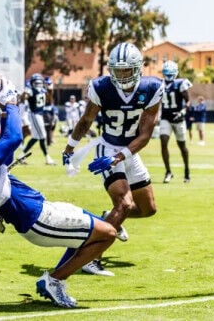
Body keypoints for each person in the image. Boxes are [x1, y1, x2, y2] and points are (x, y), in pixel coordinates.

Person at [0, 72, 117, 308]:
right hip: (36, 218)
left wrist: (4, 110)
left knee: (96, 228)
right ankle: (55, 281)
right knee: (108, 233)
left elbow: (6, 150)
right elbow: (13, 139)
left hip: (38, 210)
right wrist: (10, 103)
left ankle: (56, 279)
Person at [62, 42, 163, 275]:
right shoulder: (101, 87)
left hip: (128, 151)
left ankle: (107, 219)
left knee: (148, 209)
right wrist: (70, 147)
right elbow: (86, 121)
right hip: (107, 149)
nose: (122, 75)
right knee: (125, 203)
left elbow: (145, 134)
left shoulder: (152, 87)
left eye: (127, 70)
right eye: (117, 70)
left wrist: (122, 156)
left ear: (138, 68)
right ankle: (90, 257)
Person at [159, 60, 191, 183]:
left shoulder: (180, 83)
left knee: (182, 147)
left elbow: (188, 101)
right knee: (163, 142)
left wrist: (182, 112)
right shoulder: (160, 84)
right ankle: (168, 171)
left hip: (179, 118)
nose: (168, 75)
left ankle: (187, 171)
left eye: (170, 73)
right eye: (166, 73)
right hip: (166, 118)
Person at [19, 73, 56, 165]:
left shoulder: (34, 90)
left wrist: (26, 91)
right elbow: (24, 98)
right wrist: (26, 92)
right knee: (42, 136)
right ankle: (47, 158)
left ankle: (21, 156)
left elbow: (23, 98)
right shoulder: (41, 90)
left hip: (38, 114)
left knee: (36, 137)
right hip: (34, 114)